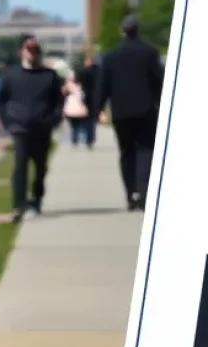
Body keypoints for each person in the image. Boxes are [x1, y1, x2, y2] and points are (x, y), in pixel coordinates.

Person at [94, 15, 164, 211]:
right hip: (146, 110)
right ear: (138, 30)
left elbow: (103, 86)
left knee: (126, 152)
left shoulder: (110, 56)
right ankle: (143, 192)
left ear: (122, 31)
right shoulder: (149, 53)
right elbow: (158, 82)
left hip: (121, 112)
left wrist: (97, 109)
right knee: (145, 151)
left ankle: (130, 193)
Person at [0, 35, 64, 222]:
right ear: (21, 52)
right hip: (20, 128)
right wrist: (7, 121)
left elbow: (58, 101)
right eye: (29, 49)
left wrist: (53, 119)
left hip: (43, 128)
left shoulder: (50, 76)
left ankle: (37, 199)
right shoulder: (10, 75)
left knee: (40, 168)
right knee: (20, 167)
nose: (32, 53)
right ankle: (18, 205)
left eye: (35, 50)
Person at [63, 70, 92, 147]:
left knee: (74, 126)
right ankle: (85, 139)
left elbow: (63, 94)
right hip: (79, 109)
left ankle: (74, 139)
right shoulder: (82, 86)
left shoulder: (69, 86)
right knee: (81, 125)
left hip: (72, 109)